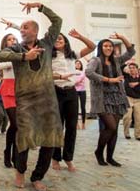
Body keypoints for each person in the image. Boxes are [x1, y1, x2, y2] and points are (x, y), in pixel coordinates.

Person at [0, 2, 63, 191]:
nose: (22, 30)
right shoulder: (17, 48)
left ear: (35, 31)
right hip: (24, 99)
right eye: (21, 28)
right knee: (23, 137)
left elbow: (57, 20)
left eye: (25, 27)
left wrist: (40, 6)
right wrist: (25, 57)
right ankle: (20, 171)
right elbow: (0, 56)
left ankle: (37, 176)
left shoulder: (47, 43)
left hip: (48, 99)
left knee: (50, 140)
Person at [85, 33, 135, 167]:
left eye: (110, 46)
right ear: (101, 47)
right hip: (102, 98)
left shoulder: (117, 60)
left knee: (114, 130)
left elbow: (131, 51)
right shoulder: (96, 60)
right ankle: (98, 152)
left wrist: (122, 37)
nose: (108, 48)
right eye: (105, 46)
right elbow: (89, 73)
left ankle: (110, 157)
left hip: (117, 97)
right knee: (111, 127)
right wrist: (109, 79)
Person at [50, 30, 95, 172]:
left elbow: (93, 47)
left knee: (71, 127)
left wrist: (80, 36)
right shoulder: (48, 57)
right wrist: (60, 76)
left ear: (65, 41)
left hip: (71, 92)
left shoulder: (72, 55)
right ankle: (55, 157)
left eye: (61, 38)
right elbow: (45, 75)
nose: (58, 40)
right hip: (56, 92)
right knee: (57, 127)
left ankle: (68, 158)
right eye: (55, 39)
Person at [0, 34, 18, 168]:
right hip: (7, 89)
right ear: (5, 43)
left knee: (19, 126)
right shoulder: (2, 55)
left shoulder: (21, 53)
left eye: (14, 39)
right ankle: (7, 151)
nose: (12, 41)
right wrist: (18, 59)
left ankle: (16, 154)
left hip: (20, 89)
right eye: (9, 39)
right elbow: (0, 66)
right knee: (15, 123)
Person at [123, 63, 140, 140]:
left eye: (133, 68)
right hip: (128, 98)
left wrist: (137, 84)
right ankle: (126, 133)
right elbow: (121, 67)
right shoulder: (127, 76)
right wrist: (126, 64)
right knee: (127, 117)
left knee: (138, 118)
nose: (132, 69)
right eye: (130, 68)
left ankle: (138, 135)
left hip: (138, 99)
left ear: (137, 69)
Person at [75, 60, 87, 130]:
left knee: (83, 107)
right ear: (74, 65)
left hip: (82, 91)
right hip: (75, 91)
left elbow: (78, 80)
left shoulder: (83, 72)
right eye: (76, 64)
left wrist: (74, 82)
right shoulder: (73, 72)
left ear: (81, 65)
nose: (78, 65)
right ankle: (76, 124)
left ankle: (83, 123)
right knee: (75, 108)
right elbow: (73, 80)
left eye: (79, 63)